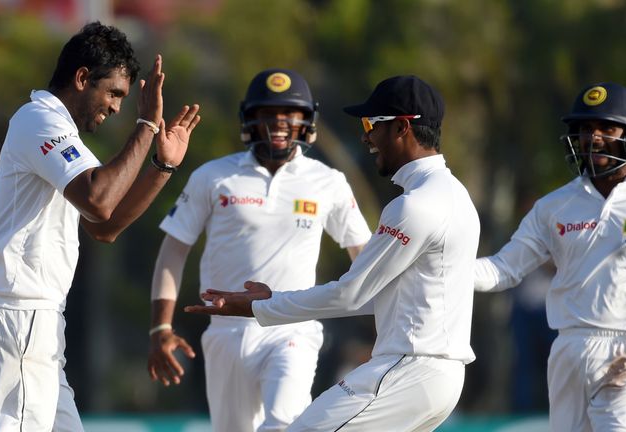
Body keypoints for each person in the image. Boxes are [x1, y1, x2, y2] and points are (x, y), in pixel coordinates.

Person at [0, 21, 201, 431]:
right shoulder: (39, 120)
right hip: (19, 308)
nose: (117, 106)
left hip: (33, 315)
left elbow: (106, 226)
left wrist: (162, 165)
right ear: (82, 78)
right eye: (114, 92)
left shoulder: (63, 134)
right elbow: (99, 202)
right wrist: (147, 125)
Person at [184, 75, 480, 432]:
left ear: (402, 127)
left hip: (409, 368)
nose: (365, 137)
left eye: (372, 124)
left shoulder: (414, 206)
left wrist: (259, 305)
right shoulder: (456, 195)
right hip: (441, 378)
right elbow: (381, 296)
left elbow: (351, 294)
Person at [146, 68, 372, 432]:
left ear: (306, 120)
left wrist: (384, 322)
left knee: (285, 424)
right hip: (226, 332)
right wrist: (160, 326)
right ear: (250, 119)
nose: (279, 123)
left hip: (291, 327)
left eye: (290, 114)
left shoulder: (327, 181)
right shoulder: (213, 176)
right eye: (268, 113)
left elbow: (364, 256)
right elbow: (173, 251)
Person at [474, 82, 626, 431]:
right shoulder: (554, 207)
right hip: (569, 350)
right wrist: (439, 269)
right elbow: (503, 269)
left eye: (606, 128)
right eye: (585, 129)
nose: (593, 137)